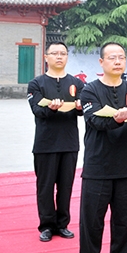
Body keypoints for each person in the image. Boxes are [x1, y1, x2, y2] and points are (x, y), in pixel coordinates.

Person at [78, 43, 127, 253]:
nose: (117, 61)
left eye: (121, 57)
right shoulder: (89, 91)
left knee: (124, 221)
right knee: (92, 222)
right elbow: (95, 120)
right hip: (97, 167)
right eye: (112, 58)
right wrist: (116, 119)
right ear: (101, 62)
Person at [26, 42, 84, 242]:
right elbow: (37, 110)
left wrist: (78, 107)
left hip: (69, 143)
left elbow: (85, 109)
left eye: (63, 53)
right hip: (45, 143)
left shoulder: (76, 83)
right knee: (45, 186)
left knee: (66, 186)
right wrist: (51, 108)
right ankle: (47, 225)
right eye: (55, 53)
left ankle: (62, 223)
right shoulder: (36, 83)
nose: (59, 57)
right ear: (46, 57)